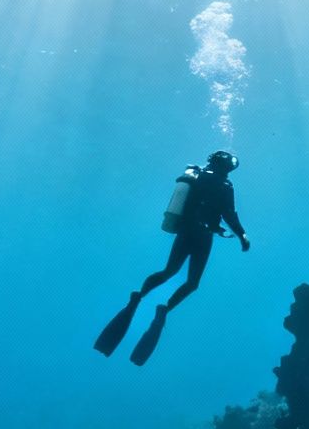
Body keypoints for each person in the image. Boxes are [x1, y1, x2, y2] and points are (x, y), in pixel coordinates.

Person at [95, 150, 250, 365]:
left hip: (186, 232)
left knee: (169, 271)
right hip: (203, 236)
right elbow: (228, 214)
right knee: (192, 283)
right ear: (227, 166)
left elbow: (198, 207)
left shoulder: (197, 177)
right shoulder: (225, 186)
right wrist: (242, 235)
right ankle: (165, 308)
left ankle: (138, 297)